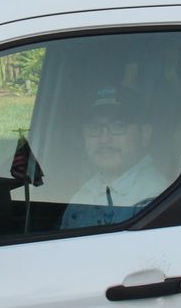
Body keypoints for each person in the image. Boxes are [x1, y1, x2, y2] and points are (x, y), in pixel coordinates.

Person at [59, 84, 173, 228]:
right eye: (94, 128)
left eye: (118, 126)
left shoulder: (157, 199)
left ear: (144, 135)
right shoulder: (83, 194)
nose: (104, 139)